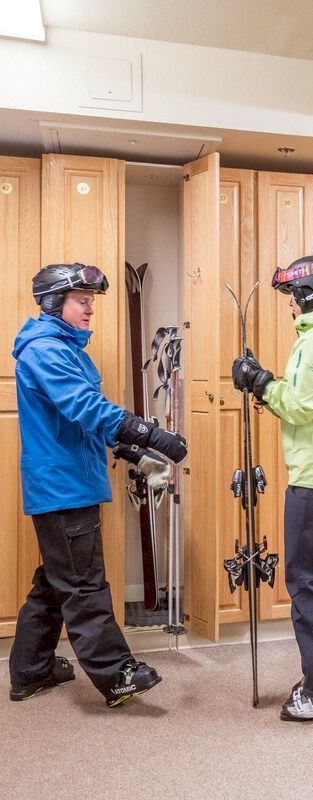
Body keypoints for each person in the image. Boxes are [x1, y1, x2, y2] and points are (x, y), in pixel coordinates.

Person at [9, 262, 188, 708]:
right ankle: (117, 675)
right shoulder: (47, 351)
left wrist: (130, 452)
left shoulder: (67, 350)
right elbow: (85, 406)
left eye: (91, 302)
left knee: (55, 581)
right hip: (64, 487)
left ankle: (31, 671)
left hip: (70, 482)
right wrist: (148, 433)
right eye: (82, 301)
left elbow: (83, 419)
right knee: (84, 585)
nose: (91, 309)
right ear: (54, 303)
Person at [232, 255, 313, 723]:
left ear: (306, 296)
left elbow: (301, 407)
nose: (288, 306)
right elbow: (310, 400)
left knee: (304, 578)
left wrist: (261, 383)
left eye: (290, 296)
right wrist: (266, 382)